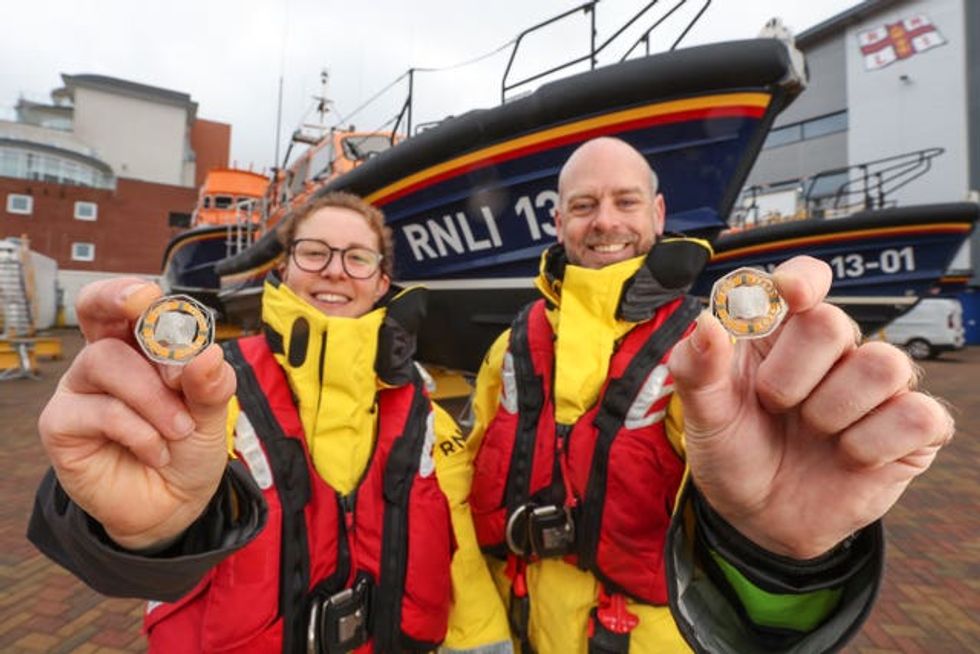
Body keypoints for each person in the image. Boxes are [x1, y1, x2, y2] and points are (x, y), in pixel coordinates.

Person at [464, 137, 954, 653]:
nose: (605, 221)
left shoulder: (711, 353)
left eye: (625, 202)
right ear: (558, 221)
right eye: (584, 205)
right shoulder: (510, 349)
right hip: (515, 627)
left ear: (657, 213)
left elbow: (751, 598)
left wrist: (782, 557)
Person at [28, 192, 512, 653]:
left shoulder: (424, 415)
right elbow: (128, 534)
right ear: (284, 268)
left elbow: (461, 558)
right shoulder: (210, 391)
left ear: (383, 281)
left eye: (358, 258)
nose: (335, 270)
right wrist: (129, 532)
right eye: (314, 252)